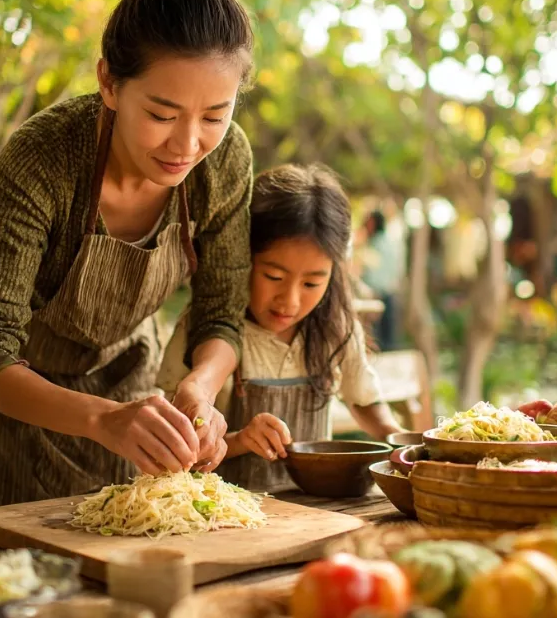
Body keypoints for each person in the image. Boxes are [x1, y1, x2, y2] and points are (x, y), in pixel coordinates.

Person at [0, 0, 254, 536]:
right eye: (162, 114)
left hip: (128, 389)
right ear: (109, 82)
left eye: (214, 116)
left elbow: (222, 313)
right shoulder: (45, 157)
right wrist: (102, 420)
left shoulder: (225, 162)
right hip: (12, 408)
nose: (187, 144)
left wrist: (200, 388)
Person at [156, 164, 406, 492]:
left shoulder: (336, 327)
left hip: (316, 506)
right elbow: (178, 446)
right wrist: (241, 440)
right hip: (225, 507)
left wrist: (399, 439)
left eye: (312, 283)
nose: (289, 301)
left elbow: (363, 399)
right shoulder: (205, 330)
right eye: (273, 277)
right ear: (242, 257)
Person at [360, 205, 405, 351]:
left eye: (368, 222)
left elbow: (372, 271)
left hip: (377, 293)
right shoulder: (390, 242)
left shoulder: (376, 244)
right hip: (388, 291)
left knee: (378, 336)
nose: (365, 225)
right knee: (387, 335)